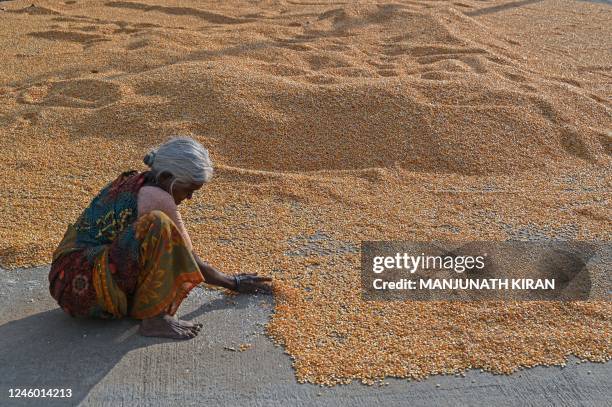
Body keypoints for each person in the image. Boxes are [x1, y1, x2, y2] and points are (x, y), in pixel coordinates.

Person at [49, 136, 272, 339]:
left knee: (153, 239)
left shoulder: (138, 181)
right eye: (188, 190)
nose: (190, 197)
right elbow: (187, 255)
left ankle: (138, 305)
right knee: (160, 227)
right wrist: (233, 282)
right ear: (166, 177)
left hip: (65, 279)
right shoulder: (157, 197)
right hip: (85, 286)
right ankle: (154, 319)